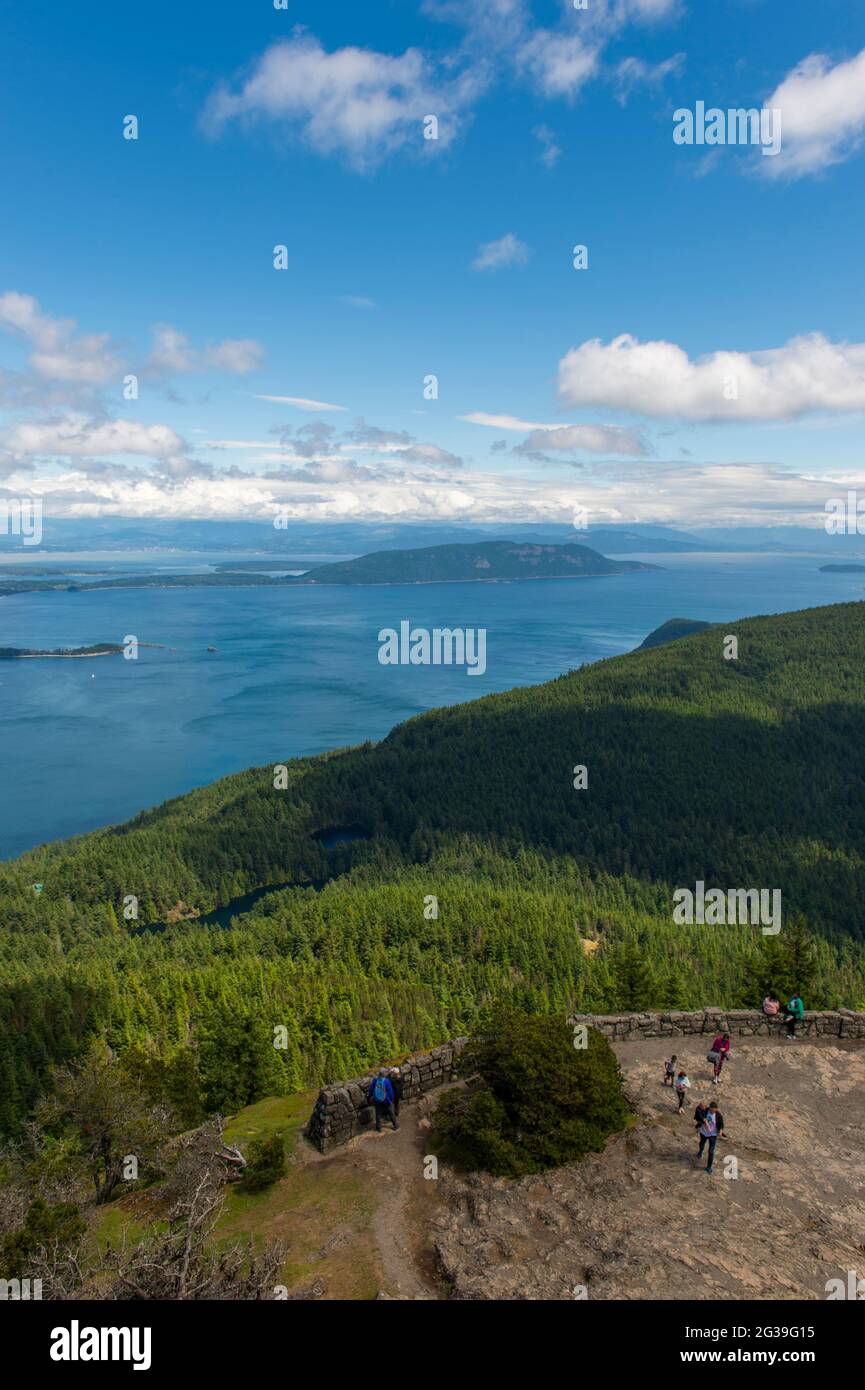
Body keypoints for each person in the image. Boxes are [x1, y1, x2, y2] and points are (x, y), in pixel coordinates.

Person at [696, 1101, 726, 1174]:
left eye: (714, 1111)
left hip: (713, 1134)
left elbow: (721, 1124)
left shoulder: (718, 1115)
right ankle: (700, 1151)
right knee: (701, 1144)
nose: (713, 1112)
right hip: (703, 1132)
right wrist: (703, 1121)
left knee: (711, 1152)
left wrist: (721, 1131)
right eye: (712, 1110)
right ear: (709, 1108)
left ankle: (709, 1167)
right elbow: (698, 1111)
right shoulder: (705, 1111)